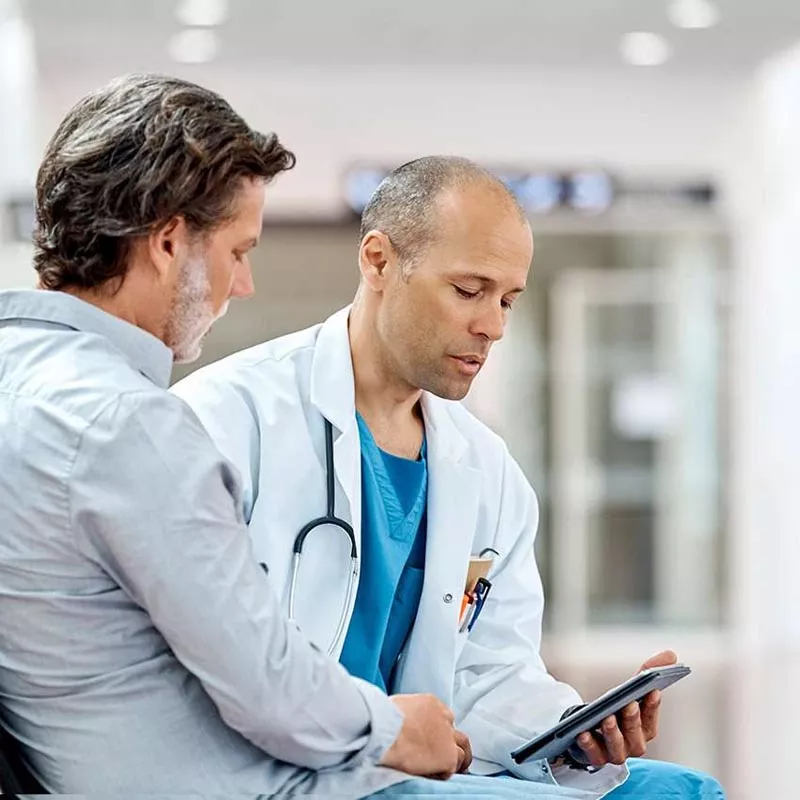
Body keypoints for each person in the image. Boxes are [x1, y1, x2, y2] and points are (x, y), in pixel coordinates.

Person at [173, 156, 727, 798]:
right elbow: (212, 658)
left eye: (508, 299)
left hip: (414, 769)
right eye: (469, 290)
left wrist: (571, 732)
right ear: (377, 261)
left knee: (676, 789)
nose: (492, 325)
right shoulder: (228, 419)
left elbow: (492, 672)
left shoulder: (487, 470)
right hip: (287, 773)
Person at [0, 75, 467, 796]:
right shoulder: (125, 423)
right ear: (167, 242)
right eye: (238, 252)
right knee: (665, 790)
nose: (241, 285)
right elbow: (272, 692)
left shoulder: (18, 383)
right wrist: (400, 728)